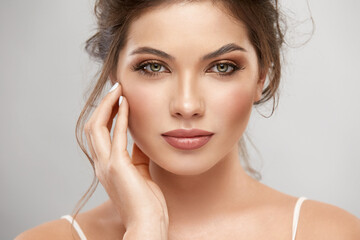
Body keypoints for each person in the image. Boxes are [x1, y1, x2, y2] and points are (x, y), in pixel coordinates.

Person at [15, 0, 360, 239]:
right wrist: (145, 230)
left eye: (222, 67)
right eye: (153, 66)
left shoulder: (333, 234)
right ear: (113, 78)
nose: (187, 104)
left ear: (261, 77)